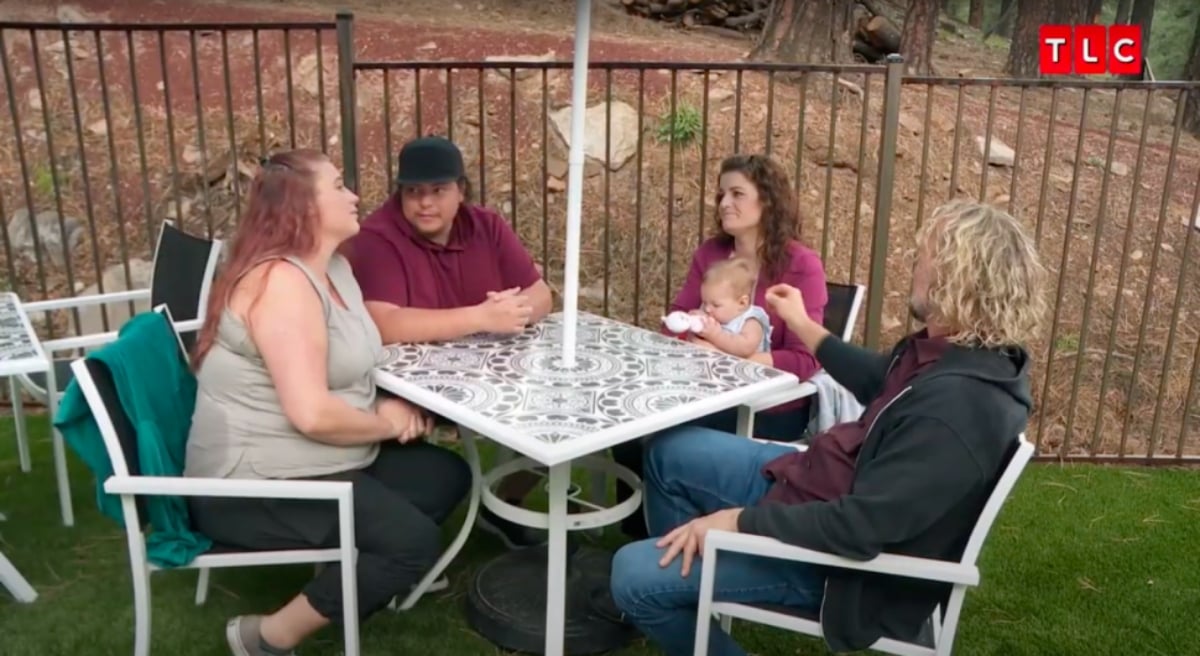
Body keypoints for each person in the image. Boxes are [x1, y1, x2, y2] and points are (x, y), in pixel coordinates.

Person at [608, 200, 1047, 656]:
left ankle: (674, 590)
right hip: (814, 483)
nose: (912, 266)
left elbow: (861, 527)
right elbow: (881, 378)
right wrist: (804, 326)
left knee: (632, 576)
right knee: (669, 451)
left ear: (955, 279)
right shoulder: (951, 354)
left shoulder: (957, 409)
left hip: (840, 570)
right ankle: (689, 592)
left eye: (923, 258)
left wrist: (736, 522)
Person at [183, 149, 472, 656]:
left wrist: (393, 404)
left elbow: (356, 357)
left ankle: (363, 572)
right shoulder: (281, 286)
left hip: (319, 457)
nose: (354, 195)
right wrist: (384, 423)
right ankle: (266, 636)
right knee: (413, 543)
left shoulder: (332, 268)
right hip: (253, 484)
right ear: (304, 207)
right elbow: (312, 413)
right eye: (338, 185)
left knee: (446, 476)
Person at [344, 135, 553, 549]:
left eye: (438, 190)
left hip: (491, 371)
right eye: (413, 192)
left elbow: (542, 293)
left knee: (556, 411)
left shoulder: (487, 225)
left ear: (461, 191)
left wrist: (515, 310)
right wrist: (481, 317)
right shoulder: (378, 236)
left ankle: (505, 501)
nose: (425, 203)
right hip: (404, 385)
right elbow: (382, 323)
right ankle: (400, 534)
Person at [613, 154, 828, 539]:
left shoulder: (802, 266)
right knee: (625, 421)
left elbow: (805, 357)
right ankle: (638, 536)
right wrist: (692, 334)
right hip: (700, 387)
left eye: (737, 193)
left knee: (659, 435)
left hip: (769, 404)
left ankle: (672, 547)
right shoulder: (711, 255)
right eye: (720, 194)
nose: (724, 203)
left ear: (768, 201)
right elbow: (676, 318)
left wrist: (734, 359)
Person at [661, 257, 772, 357]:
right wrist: (694, 322)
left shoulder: (751, 321)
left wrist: (716, 335)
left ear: (742, 303)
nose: (708, 309)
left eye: (716, 305)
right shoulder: (714, 313)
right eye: (705, 302)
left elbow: (745, 348)